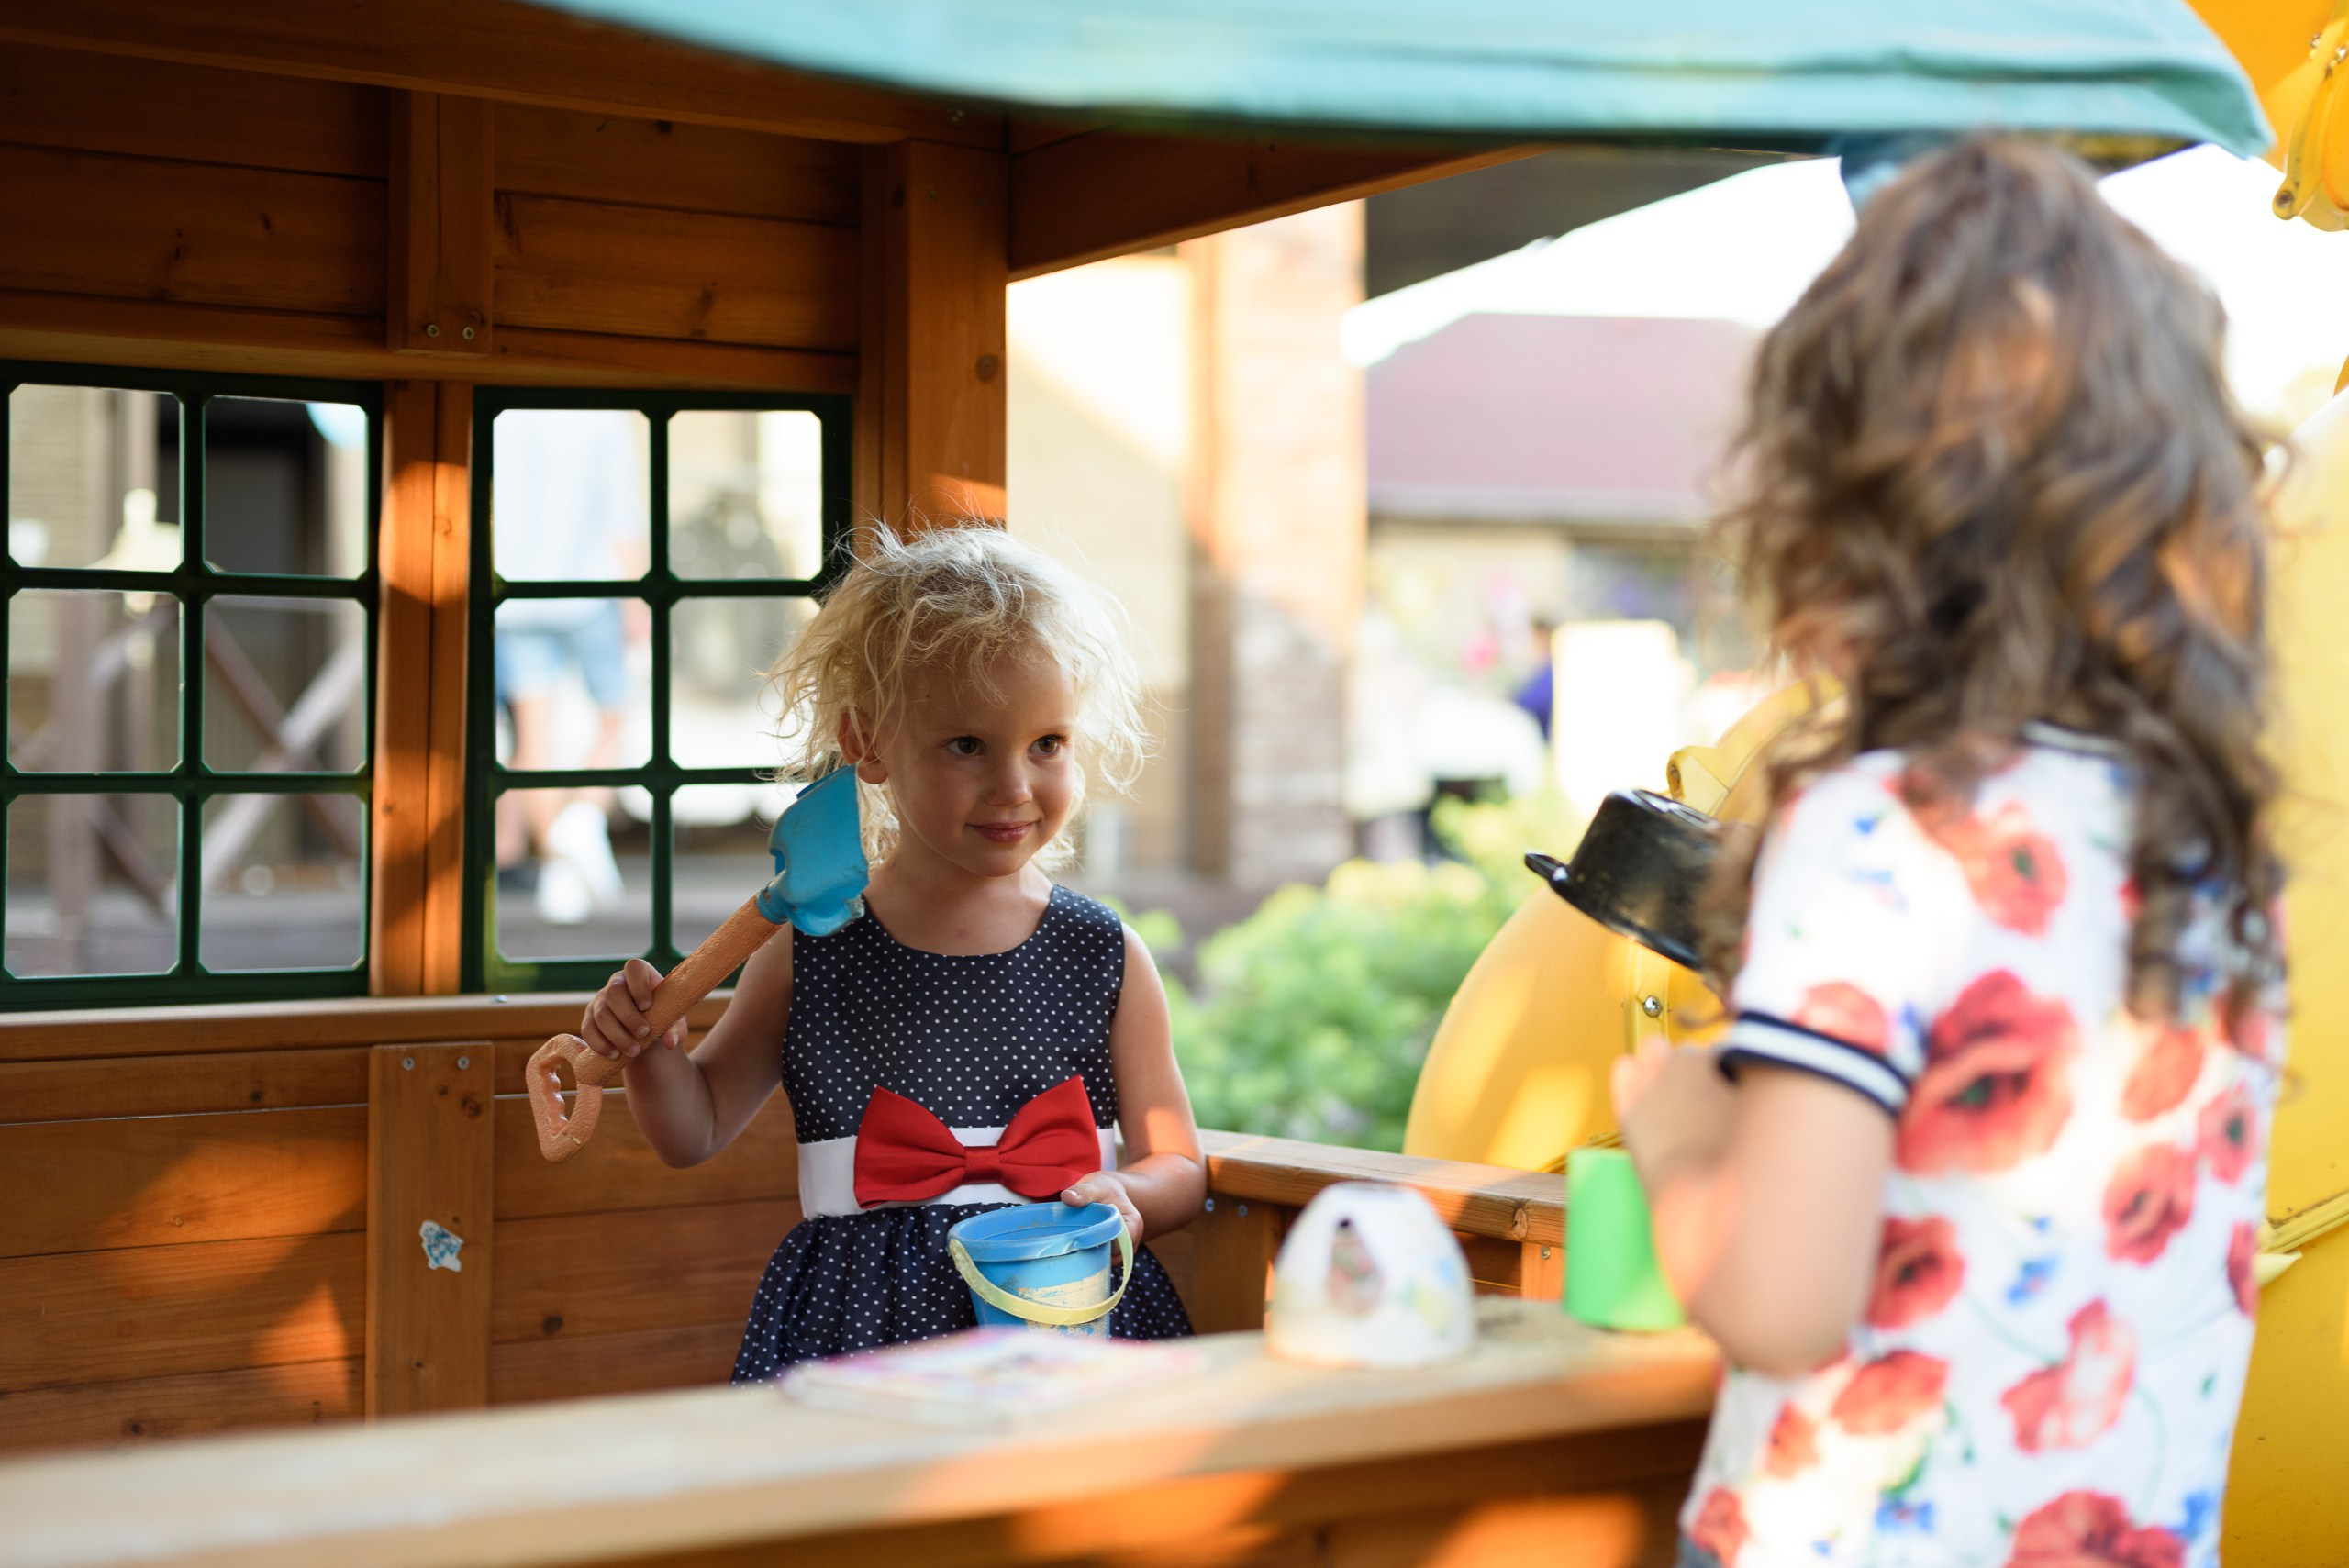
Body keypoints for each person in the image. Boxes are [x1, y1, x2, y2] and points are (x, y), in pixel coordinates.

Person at [1612, 139, 2284, 1568]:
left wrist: (1679, 1147)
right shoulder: (2206, 851)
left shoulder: (1874, 834)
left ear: (1845, 514)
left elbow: (1786, 1298)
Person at [573, 523, 1202, 1373]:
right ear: (867, 743)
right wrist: (652, 1050)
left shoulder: (1102, 953)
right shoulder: (810, 949)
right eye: (967, 745)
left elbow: (1179, 1162)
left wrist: (1128, 1192)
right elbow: (697, 1127)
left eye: (1046, 743)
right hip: (859, 1332)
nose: (1014, 785)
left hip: (1064, 1324)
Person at [491, 407, 647, 924]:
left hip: (515, 590)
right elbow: (619, 514)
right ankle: (579, 825)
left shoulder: (507, 415)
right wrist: (638, 599)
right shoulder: (604, 419)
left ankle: (557, 862)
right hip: (592, 587)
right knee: (614, 717)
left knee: (534, 734)